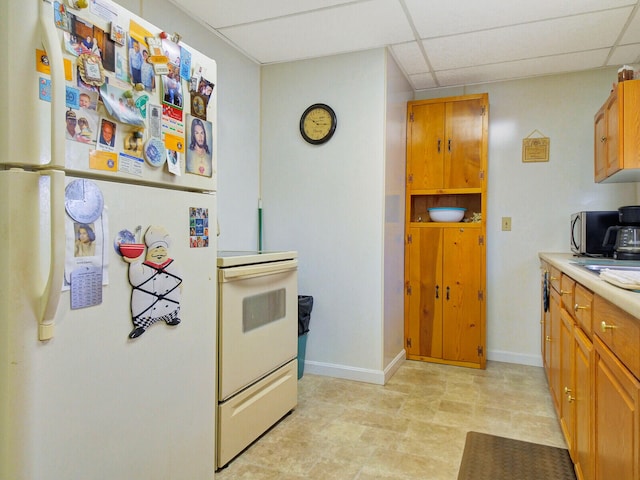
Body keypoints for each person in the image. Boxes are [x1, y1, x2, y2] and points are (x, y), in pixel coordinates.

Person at [123, 226, 182, 339]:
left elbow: (178, 278)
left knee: (171, 308)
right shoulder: (145, 268)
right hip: (146, 309)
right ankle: (141, 326)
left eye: (162, 250)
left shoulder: (172, 265)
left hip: (169, 305)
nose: (159, 253)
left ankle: (171, 318)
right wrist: (134, 263)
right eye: (156, 250)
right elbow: (135, 280)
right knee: (144, 313)